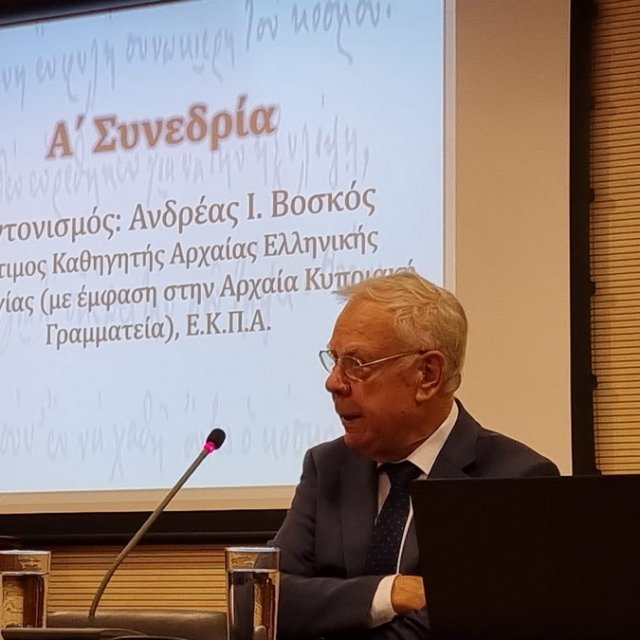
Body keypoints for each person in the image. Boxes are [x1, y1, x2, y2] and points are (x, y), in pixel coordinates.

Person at [271, 271, 560, 640]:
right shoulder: (328, 466)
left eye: (357, 364)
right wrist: (389, 593)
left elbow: (466, 621)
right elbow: (270, 596)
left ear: (427, 374)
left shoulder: (514, 479)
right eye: (335, 359)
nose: (333, 382)